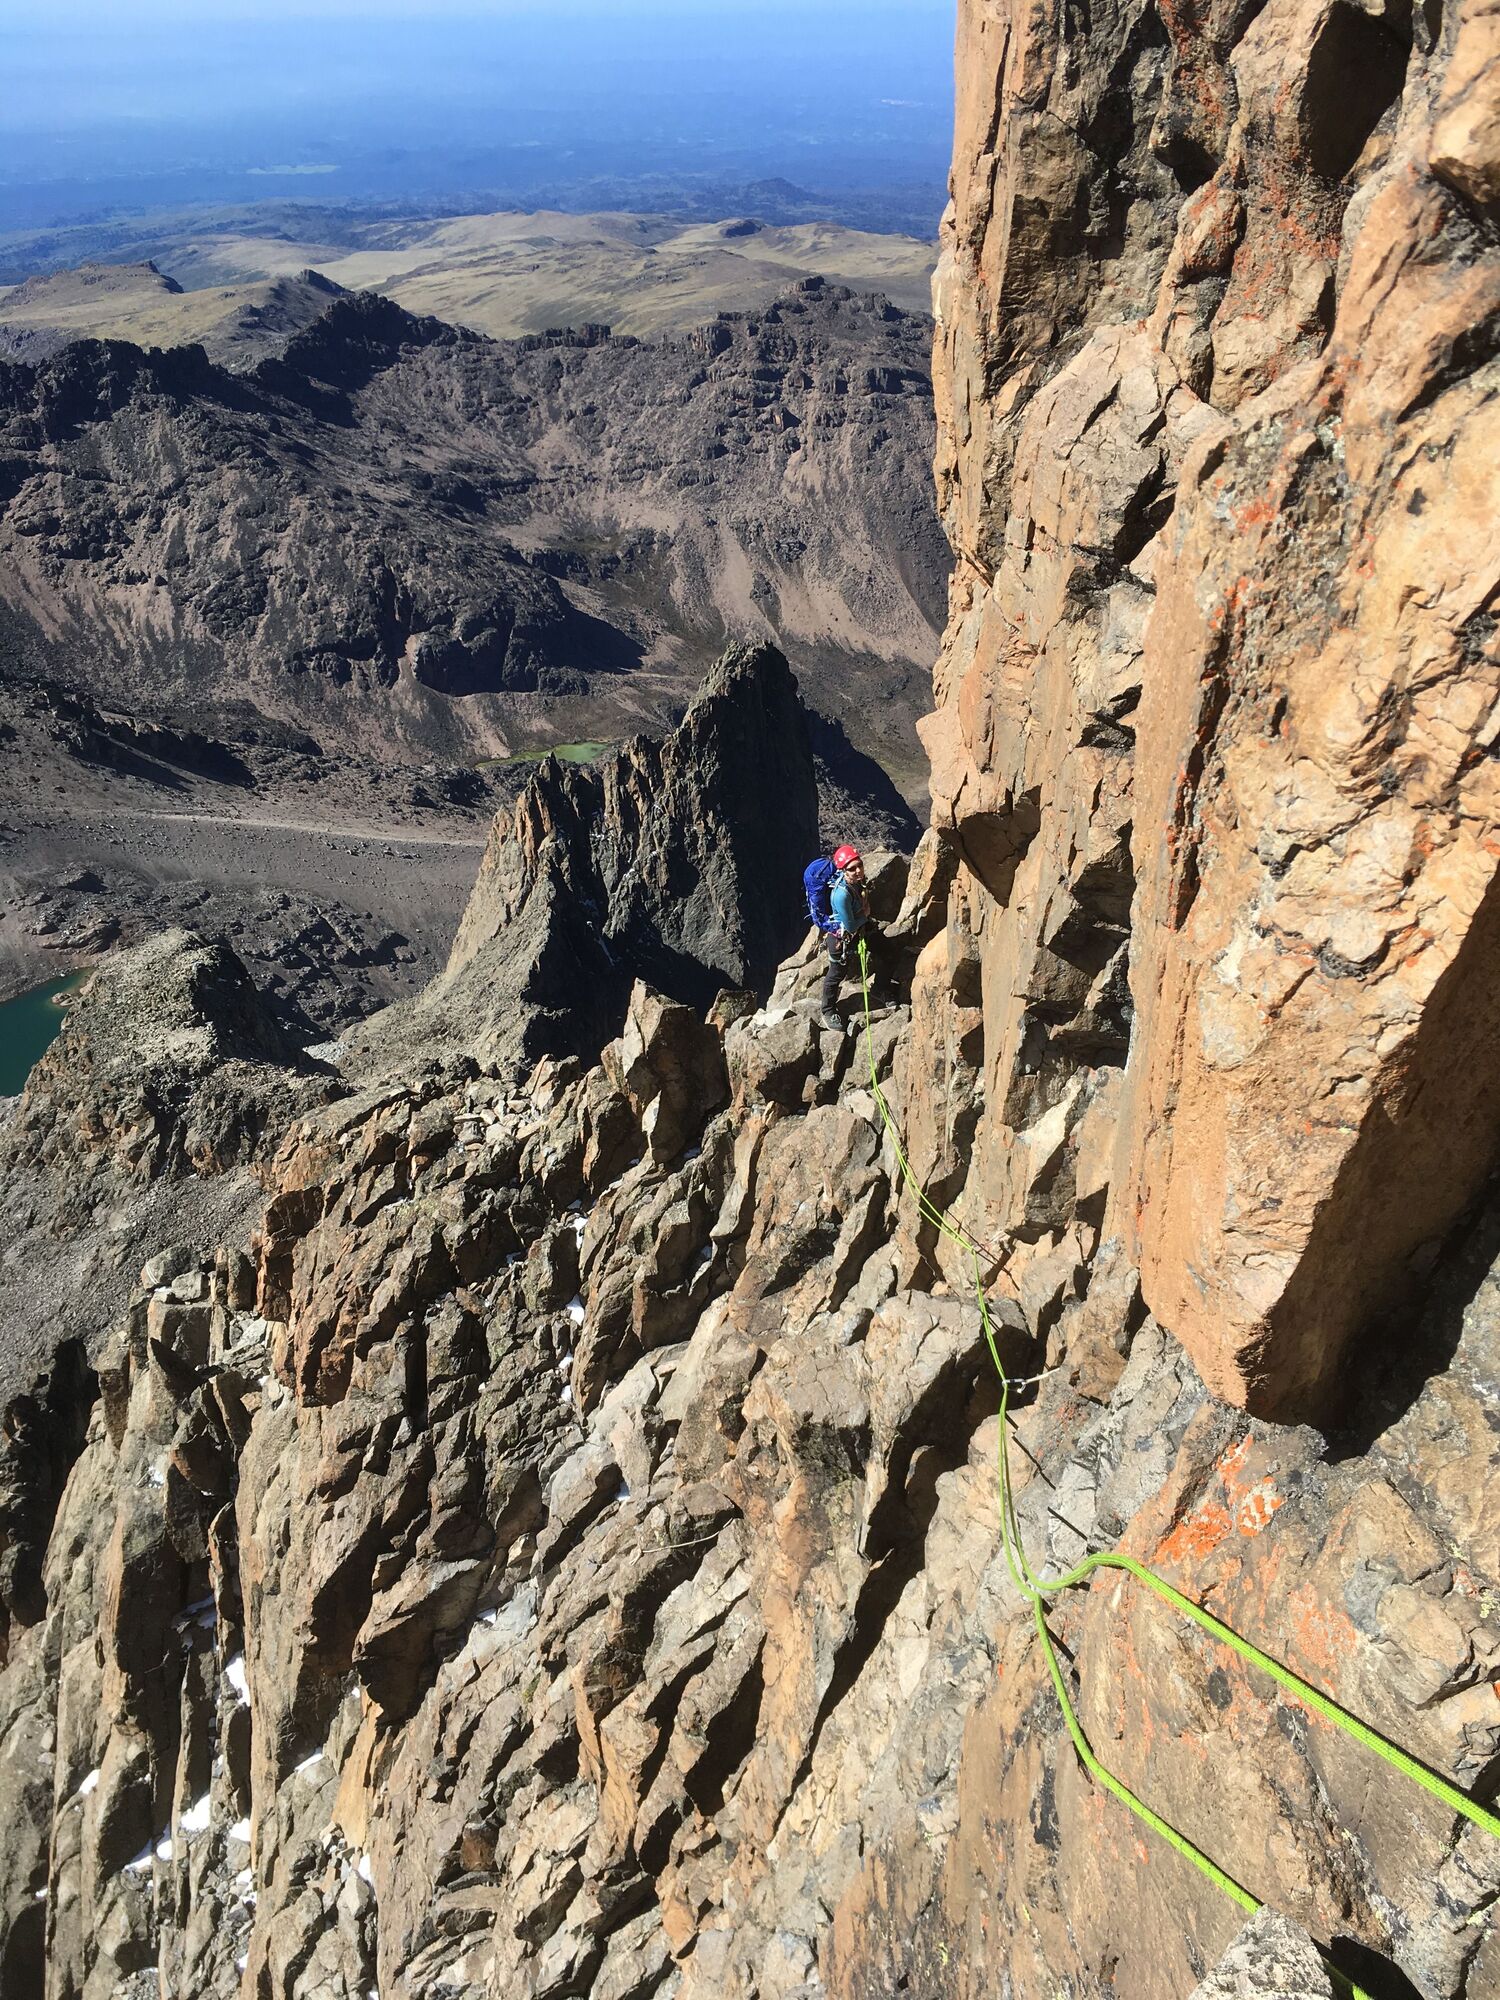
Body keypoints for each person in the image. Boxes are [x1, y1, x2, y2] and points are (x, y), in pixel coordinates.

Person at [818, 843, 872, 1031]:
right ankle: (827, 1010)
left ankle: (881, 988)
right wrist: (865, 914)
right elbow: (849, 925)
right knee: (835, 975)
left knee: (885, 949)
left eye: (860, 865)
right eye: (852, 868)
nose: (858, 871)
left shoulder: (855, 882)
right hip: (842, 939)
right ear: (843, 871)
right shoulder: (840, 895)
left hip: (857, 931)